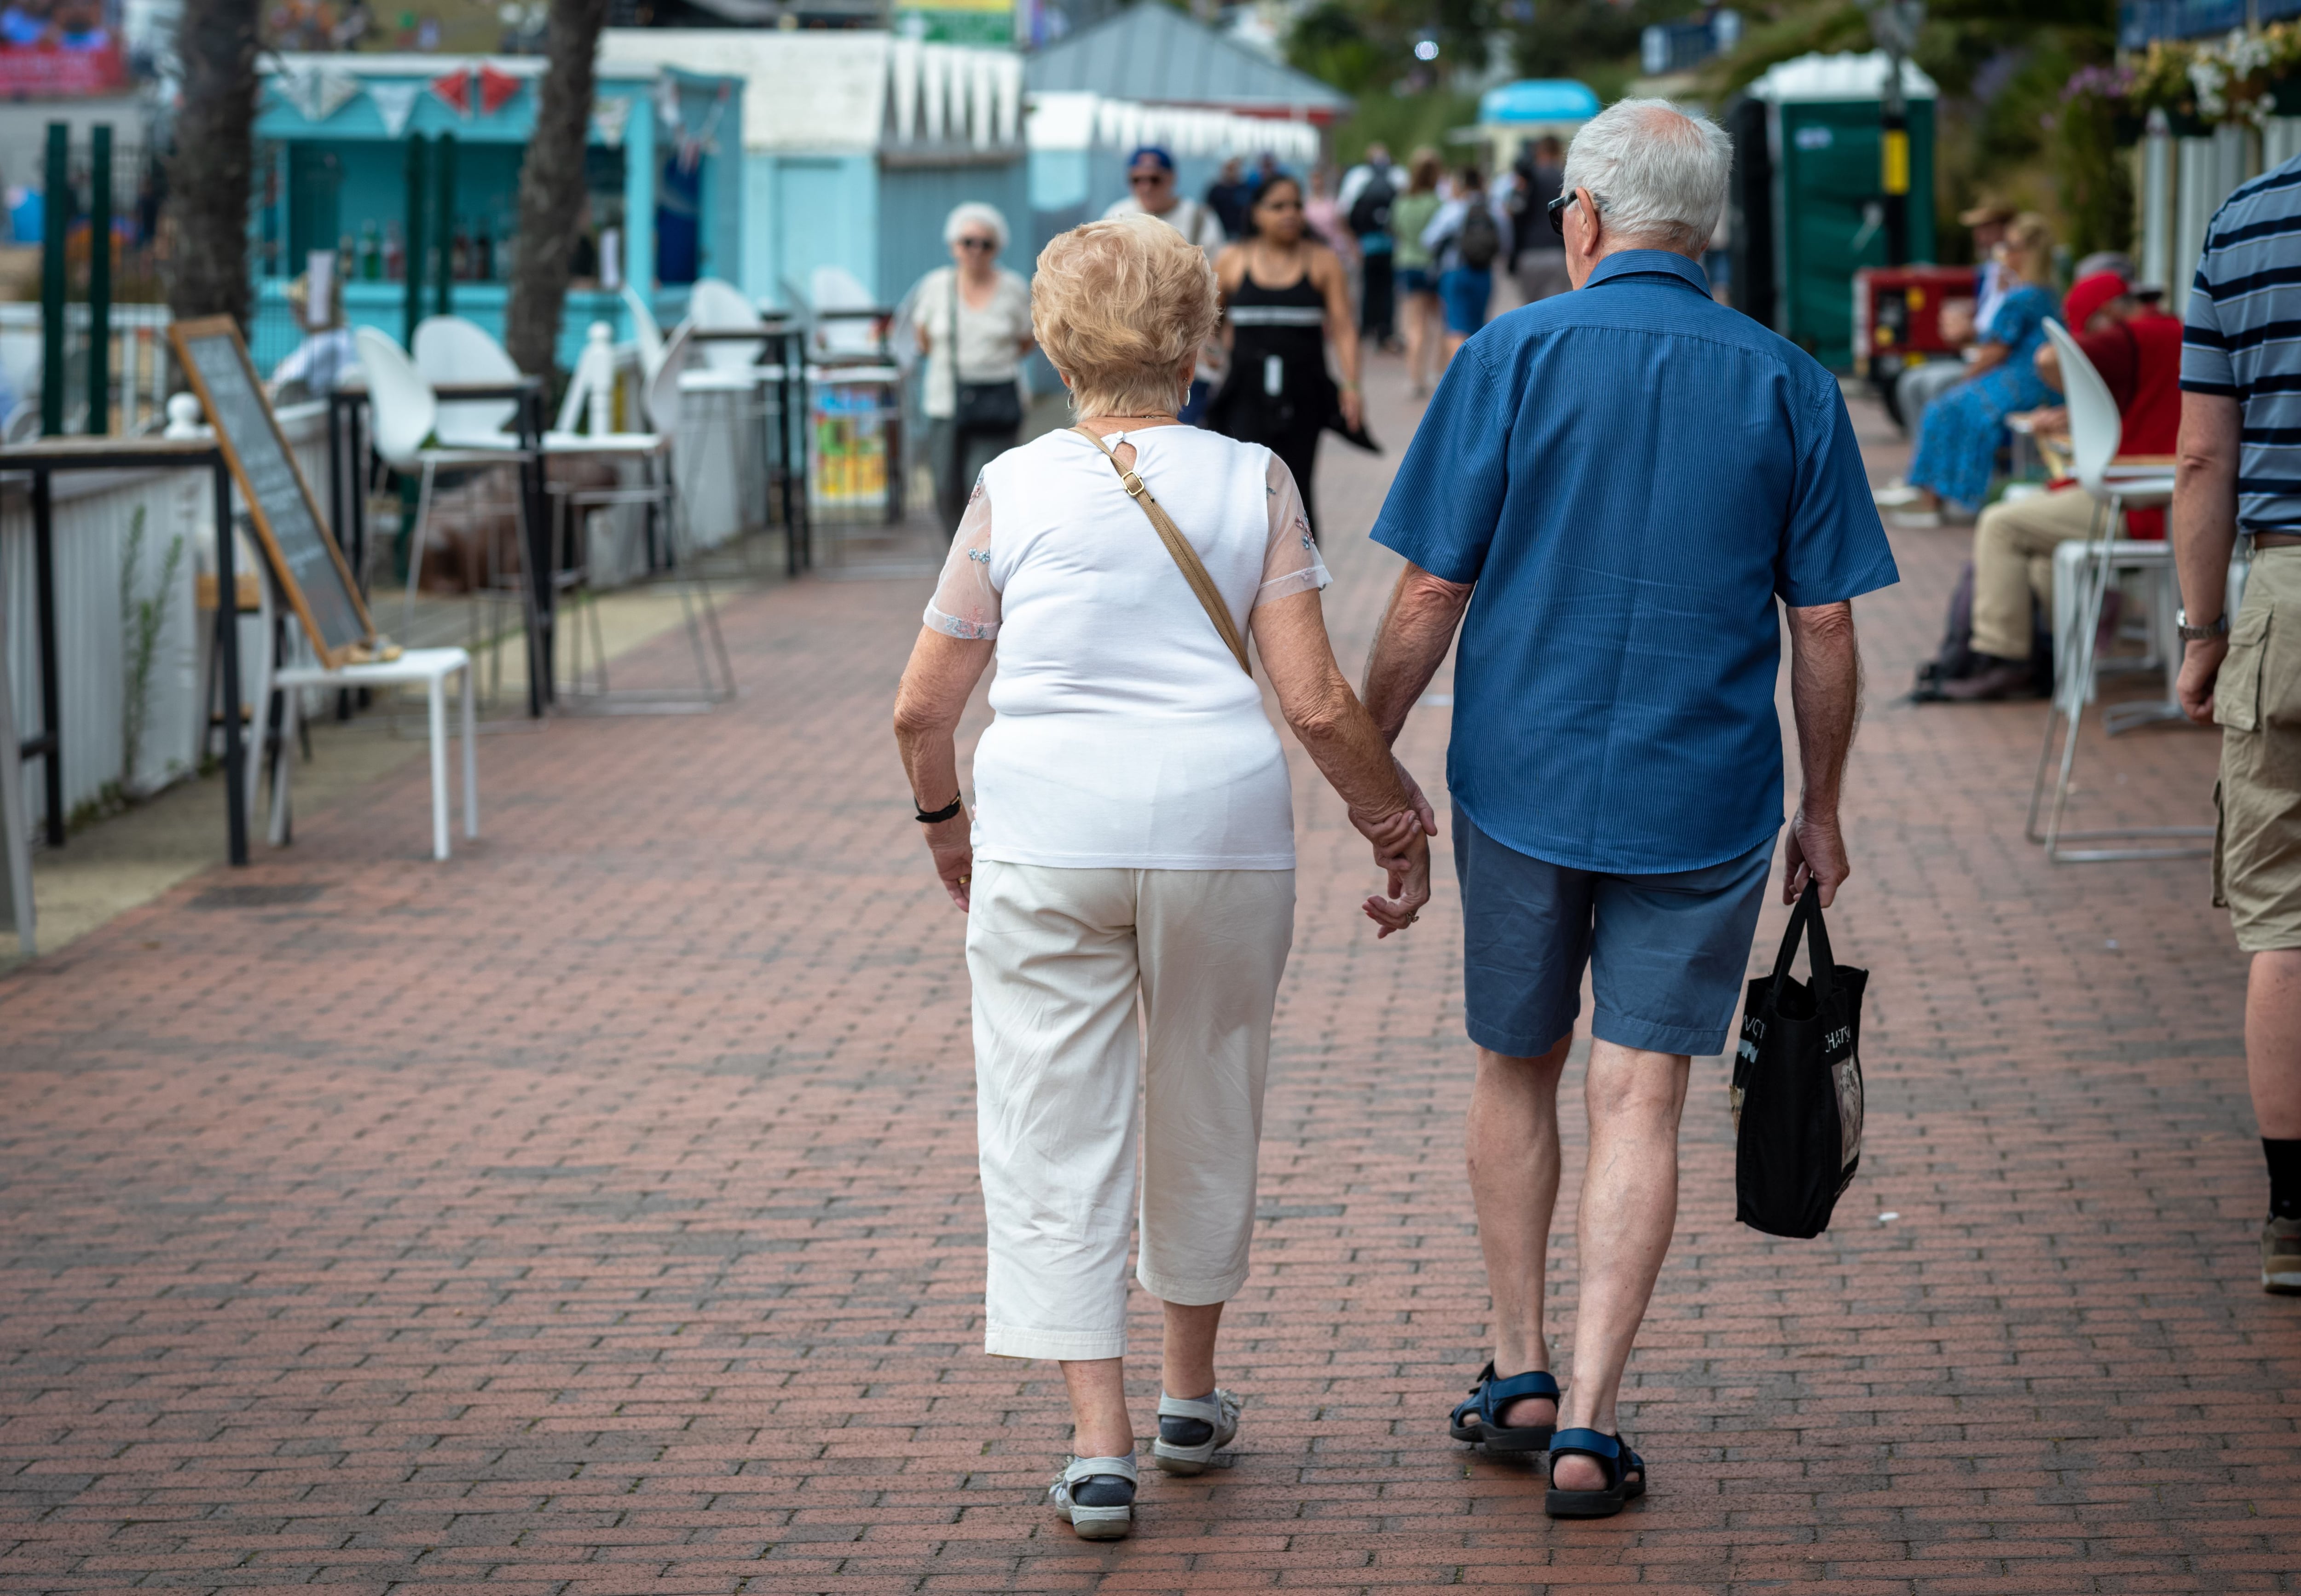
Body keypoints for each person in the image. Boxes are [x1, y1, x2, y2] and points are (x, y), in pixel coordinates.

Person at [1357, 99, 1896, 1519]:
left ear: (1581, 218)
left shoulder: (1508, 355)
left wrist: (1372, 760)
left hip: (1520, 779)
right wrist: (1820, 804)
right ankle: (1591, 1421)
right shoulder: (1789, 380)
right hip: (1706, 791)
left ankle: (1518, 1365)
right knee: (1640, 1088)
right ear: (1705, 229)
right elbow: (1825, 624)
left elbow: (1428, 591)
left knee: (1515, 1061)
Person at [890, 212, 1433, 1541]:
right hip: (1220, 831)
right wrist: (1395, 820)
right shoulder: (1251, 478)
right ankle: (1192, 1393)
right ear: (1200, 337)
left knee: (1051, 1116)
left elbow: (921, 708)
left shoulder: (1011, 487)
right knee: (1208, 1090)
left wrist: (949, 827)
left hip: (1044, 833)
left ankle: (1098, 1442)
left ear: (1050, 340)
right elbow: (1312, 702)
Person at [2170, 148, 2301, 1297]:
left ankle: (2293, 1221)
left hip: (2287, 592)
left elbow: (2204, 452)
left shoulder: (2246, 222)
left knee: (2284, 919)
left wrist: (2201, 629)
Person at [1928, 271, 2184, 702]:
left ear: (2104, 316)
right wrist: (2084, 410)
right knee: (2040, 552)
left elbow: (2047, 359)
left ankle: (2004, 657)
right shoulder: (2175, 333)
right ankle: (2049, 654)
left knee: (1999, 524)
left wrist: (2079, 387)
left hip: (2138, 504)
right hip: (2166, 500)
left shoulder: (2128, 336)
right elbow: (2148, 409)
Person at [1205, 173, 1364, 540]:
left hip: (1305, 389)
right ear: (1257, 213)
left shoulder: (1322, 261)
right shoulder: (1233, 260)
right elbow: (1206, 319)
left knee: (1297, 482)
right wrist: (1210, 349)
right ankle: (1247, 576)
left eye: (1296, 205)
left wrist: (1352, 385)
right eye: (1278, 206)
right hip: (1245, 389)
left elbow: (1343, 327)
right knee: (1247, 483)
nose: (1290, 213)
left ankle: (1303, 576)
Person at [1900, 212, 2063, 521]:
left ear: (2025, 252)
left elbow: (1995, 351)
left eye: (2010, 247)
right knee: (1949, 403)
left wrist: (1965, 379)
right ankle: (1942, 494)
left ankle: (1936, 499)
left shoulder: (2021, 297)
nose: (2004, 254)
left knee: (1944, 407)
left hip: (2019, 381)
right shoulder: (2045, 292)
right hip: (2038, 381)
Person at [909, 202, 1034, 536]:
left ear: (997, 248)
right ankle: (956, 557)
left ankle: (986, 557)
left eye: (985, 244)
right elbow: (922, 338)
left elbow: (1027, 340)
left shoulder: (1013, 288)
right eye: (968, 242)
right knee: (945, 487)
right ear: (954, 246)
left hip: (997, 399)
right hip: (946, 401)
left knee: (982, 487)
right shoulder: (936, 286)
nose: (976, 251)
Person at [1105, 146, 1226, 421]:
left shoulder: (1198, 219)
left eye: (1155, 179)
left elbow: (1218, 280)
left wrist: (1211, 337)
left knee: (1182, 421)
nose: (1146, 187)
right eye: (1138, 180)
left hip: (1184, 336)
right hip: (1134, 340)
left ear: (1171, 179)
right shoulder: (1117, 217)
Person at [1891, 203, 2014, 433]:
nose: (1979, 237)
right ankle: (1927, 460)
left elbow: (2005, 335)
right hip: (1977, 354)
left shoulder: (2016, 279)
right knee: (1909, 382)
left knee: (1936, 385)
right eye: (1978, 230)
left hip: (1997, 364)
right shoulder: (1988, 272)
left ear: (2005, 230)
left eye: (1986, 229)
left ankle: (1943, 461)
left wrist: (1970, 332)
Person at [1421, 164, 1503, 362]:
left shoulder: (1453, 209)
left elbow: (1428, 239)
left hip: (1455, 271)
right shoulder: (1493, 208)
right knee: (1478, 327)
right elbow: (1505, 241)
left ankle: (1459, 379)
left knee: (1456, 327)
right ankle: (1476, 379)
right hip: (1483, 272)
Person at [1389, 149, 1445, 398]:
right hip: (1433, 266)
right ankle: (1438, 371)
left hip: (1407, 263)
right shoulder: (1438, 203)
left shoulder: (1402, 201)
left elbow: (1396, 230)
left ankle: (1415, 378)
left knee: (1414, 325)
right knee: (1441, 322)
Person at [1340, 142, 1400, 349]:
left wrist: (1353, 240)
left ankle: (1367, 327)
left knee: (1368, 288)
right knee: (1388, 290)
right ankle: (1386, 330)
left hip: (1367, 243)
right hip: (1391, 244)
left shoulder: (1357, 177)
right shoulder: (1398, 175)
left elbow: (1345, 211)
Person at [1510, 135, 1569, 305]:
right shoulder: (1565, 178)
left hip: (1529, 253)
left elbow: (1515, 211)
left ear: (1540, 152)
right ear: (1558, 151)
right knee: (1556, 310)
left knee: (1531, 311)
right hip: (1559, 252)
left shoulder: (1528, 179)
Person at [1205, 157, 1253, 242]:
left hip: (1240, 234)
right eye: (1229, 169)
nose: (1232, 172)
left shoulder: (1245, 189)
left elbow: (1250, 212)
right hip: (1220, 233)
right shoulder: (1216, 190)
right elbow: (1209, 212)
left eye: (1234, 169)